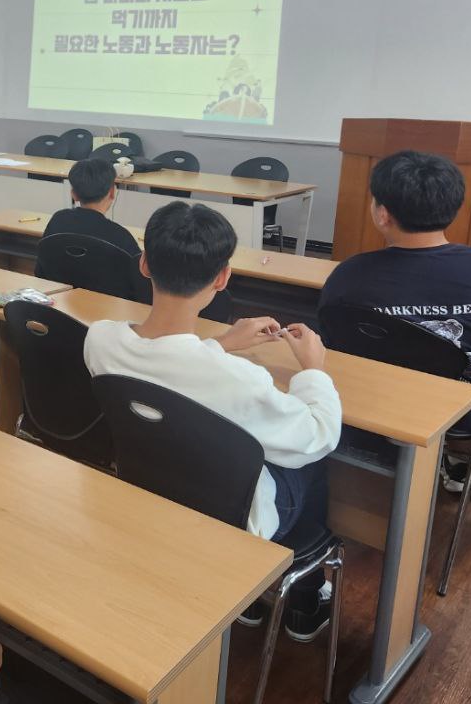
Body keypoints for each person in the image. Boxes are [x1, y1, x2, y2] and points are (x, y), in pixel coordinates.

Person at [83, 201, 341, 640]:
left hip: (148, 489)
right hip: (230, 520)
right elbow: (318, 434)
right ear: (222, 278)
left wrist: (219, 344)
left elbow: (173, 367)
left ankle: (255, 601)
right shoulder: (239, 381)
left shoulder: (99, 340)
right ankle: (299, 602)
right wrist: (314, 369)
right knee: (312, 462)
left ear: (145, 264)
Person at [319, 150, 471, 492]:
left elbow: (336, 347)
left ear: (383, 214)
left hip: (380, 405)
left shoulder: (348, 277)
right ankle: (458, 457)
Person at [41, 157, 139, 257]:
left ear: (73, 195)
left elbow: (41, 267)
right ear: (112, 193)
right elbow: (137, 270)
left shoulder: (58, 220)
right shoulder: (121, 237)